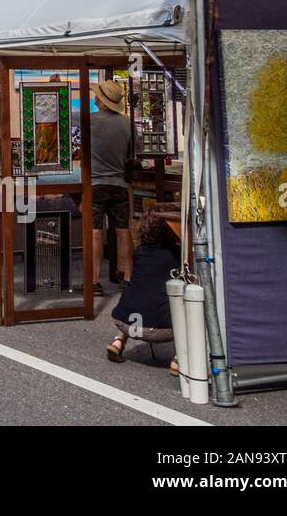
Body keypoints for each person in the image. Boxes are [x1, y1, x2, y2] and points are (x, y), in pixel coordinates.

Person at [107, 212, 180, 375]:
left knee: (137, 294)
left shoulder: (139, 253)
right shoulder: (175, 254)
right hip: (161, 330)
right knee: (192, 303)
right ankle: (179, 359)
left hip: (125, 323)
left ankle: (118, 342)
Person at [89, 80, 133, 295]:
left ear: (101, 100)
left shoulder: (91, 120)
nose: (94, 97)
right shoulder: (127, 123)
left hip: (96, 185)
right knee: (123, 231)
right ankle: (128, 278)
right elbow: (132, 154)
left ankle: (94, 281)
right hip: (119, 184)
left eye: (97, 95)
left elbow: (63, 115)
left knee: (96, 232)